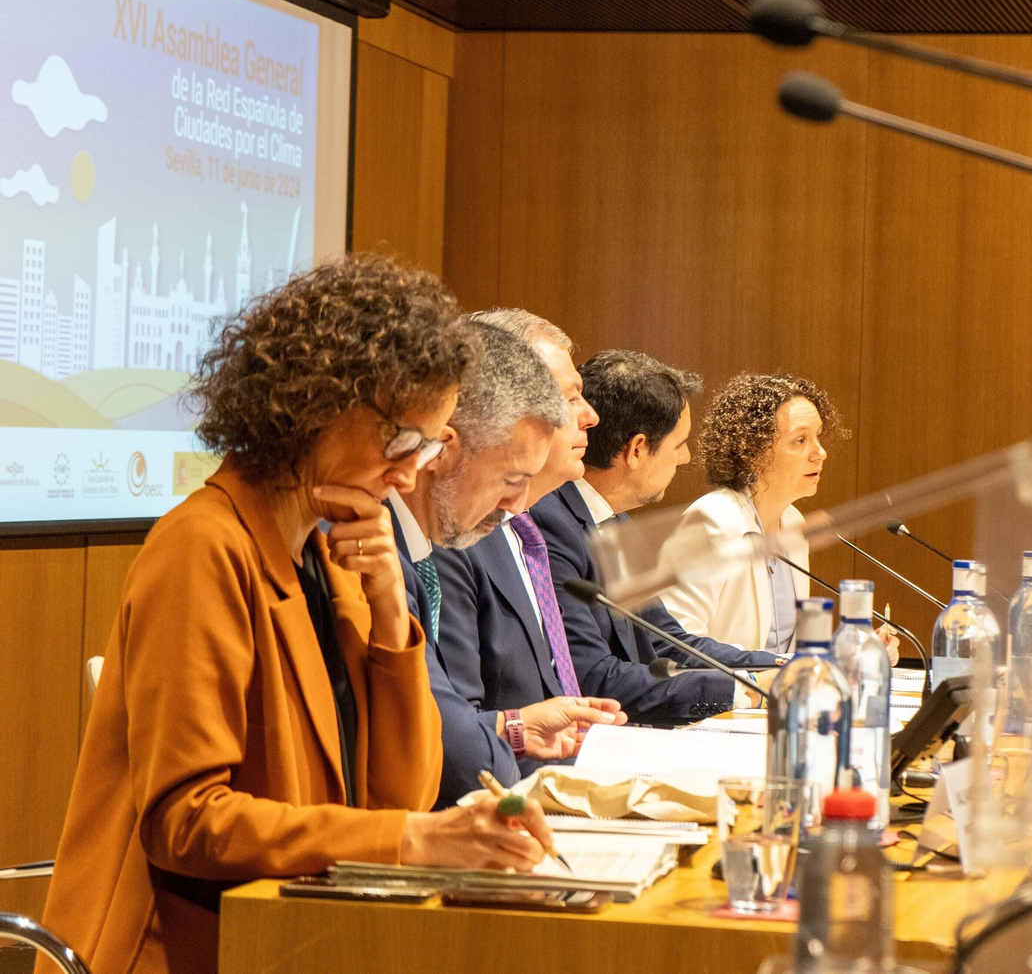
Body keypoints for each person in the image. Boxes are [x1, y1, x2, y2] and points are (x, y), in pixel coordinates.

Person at [39, 258, 554, 974]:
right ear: (322, 403)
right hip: (186, 947)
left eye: (428, 448)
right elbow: (186, 822)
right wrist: (416, 839)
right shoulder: (202, 546)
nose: (410, 474)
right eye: (405, 443)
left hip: (293, 932)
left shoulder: (331, 553)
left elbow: (394, 797)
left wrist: (389, 624)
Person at [382, 319, 625, 807]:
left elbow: (435, 717)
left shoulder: (414, 543)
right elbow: (459, 759)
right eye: (511, 476)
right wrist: (497, 742)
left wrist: (510, 728)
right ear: (443, 452)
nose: (517, 504)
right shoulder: (373, 547)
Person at [531, 348, 783, 724]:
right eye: (679, 444)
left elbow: (667, 640)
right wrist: (746, 689)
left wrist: (784, 666)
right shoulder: (549, 525)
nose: (684, 459)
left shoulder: (614, 520)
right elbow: (591, 677)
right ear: (637, 449)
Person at [656, 373, 834, 653]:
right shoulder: (711, 521)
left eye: (818, 437)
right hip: (723, 694)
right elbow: (678, 644)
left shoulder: (793, 522)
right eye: (800, 440)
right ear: (753, 451)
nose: (820, 452)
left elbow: (787, 650)